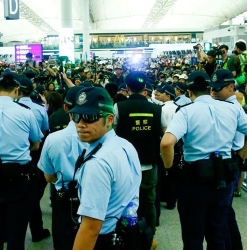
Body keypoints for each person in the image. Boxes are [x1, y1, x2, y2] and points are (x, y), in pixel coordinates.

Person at [160, 70, 247, 249]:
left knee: (193, 237)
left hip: (192, 180)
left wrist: (169, 169)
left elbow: (166, 143)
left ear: (189, 92)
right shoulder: (232, 109)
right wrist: (239, 158)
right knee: (218, 234)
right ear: (210, 89)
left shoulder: (186, 112)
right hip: (222, 178)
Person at [70, 87, 142, 250]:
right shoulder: (125, 145)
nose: (81, 124)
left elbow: (91, 229)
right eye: (76, 117)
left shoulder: (98, 163)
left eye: (89, 117)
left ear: (109, 120)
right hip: (127, 232)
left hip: (104, 240)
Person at [113, 72, 167, 250]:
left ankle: (127, 237)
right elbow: (165, 135)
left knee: (125, 201)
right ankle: (150, 237)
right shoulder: (157, 109)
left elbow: (112, 135)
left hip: (125, 166)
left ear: (127, 88)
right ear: (145, 88)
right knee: (149, 202)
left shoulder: (118, 107)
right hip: (149, 164)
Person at [38, 86, 87, 250]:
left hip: (63, 195)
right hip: (93, 195)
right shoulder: (103, 139)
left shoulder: (53, 139)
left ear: (66, 108)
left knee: (63, 239)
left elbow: (49, 177)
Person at [0, 73, 43, 250]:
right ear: (17, 90)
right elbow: (36, 143)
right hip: (18, 176)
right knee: (16, 231)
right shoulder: (25, 112)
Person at [209, 69, 246, 250]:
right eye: (212, 88)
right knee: (226, 212)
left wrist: (239, 158)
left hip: (229, 160)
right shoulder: (229, 105)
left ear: (231, 87)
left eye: (218, 89)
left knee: (223, 213)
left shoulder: (232, 108)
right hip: (229, 160)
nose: (214, 92)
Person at [17, 76, 51, 242]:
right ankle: (37, 231)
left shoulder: (11, 108)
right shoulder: (38, 109)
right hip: (34, 155)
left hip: (12, 159)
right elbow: (44, 131)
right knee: (33, 194)